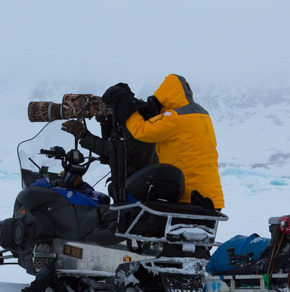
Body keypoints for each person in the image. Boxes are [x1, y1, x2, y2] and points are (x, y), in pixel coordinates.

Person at [102, 74, 225, 210]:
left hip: (191, 198)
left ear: (166, 97)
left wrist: (127, 105)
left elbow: (141, 130)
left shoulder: (176, 118)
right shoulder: (202, 114)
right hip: (211, 198)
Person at [60, 119, 158, 199]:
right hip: (142, 182)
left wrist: (81, 133)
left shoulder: (134, 128)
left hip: (135, 187)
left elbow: (110, 148)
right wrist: (106, 124)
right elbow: (113, 146)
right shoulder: (142, 122)